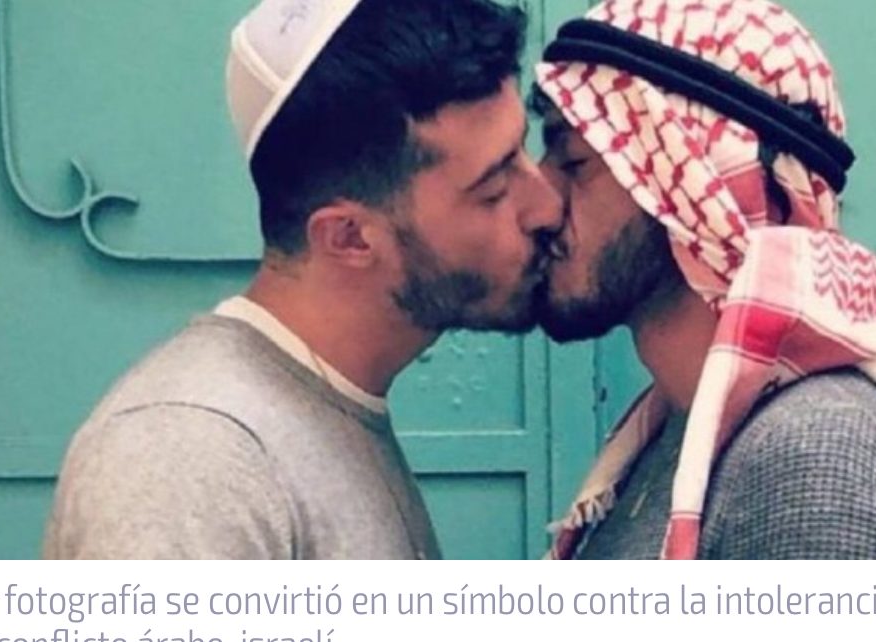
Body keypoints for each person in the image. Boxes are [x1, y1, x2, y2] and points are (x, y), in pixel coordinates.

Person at [42, 0, 561, 559]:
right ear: (349, 238)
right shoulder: (191, 459)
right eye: (493, 189)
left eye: (522, 152)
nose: (547, 206)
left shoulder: (313, 416)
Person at [530, 0, 876, 559]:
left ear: (695, 181)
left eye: (573, 161)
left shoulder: (814, 464)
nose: (538, 205)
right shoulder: (683, 430)